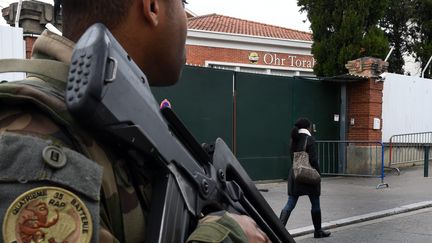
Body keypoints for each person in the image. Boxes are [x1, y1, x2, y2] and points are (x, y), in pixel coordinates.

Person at [0, 0, 270, 242]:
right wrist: (224, 235)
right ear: (152, 7)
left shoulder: (121, 125)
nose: (186, 18)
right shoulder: (32, 140)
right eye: (182, 3)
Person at [279, 118, 331, 238]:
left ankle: (278, 230)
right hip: (309, 175)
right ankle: (318, 231)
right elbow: (313, 160)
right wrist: (318, 173)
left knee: (290, 203)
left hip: (295, 175)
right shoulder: (310, 139)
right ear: (308, 127)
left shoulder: (294, 139)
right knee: (315, 203)